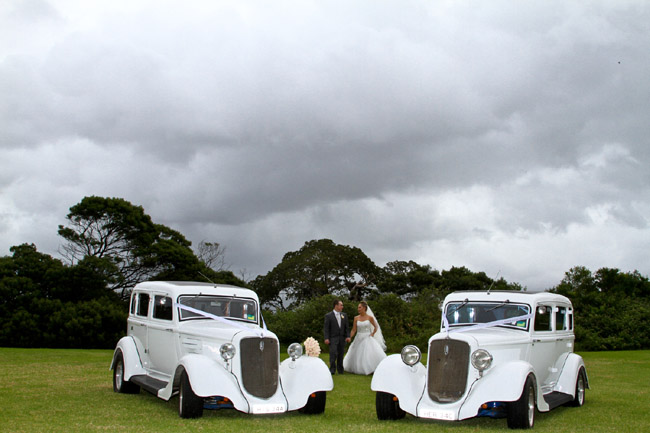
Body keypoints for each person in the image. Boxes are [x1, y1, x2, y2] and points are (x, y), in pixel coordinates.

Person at [342, 301, 386, 375]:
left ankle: (371, 368)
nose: (358, 309)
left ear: (364, 308)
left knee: (368, 353)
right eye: (358, 307)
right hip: (358, 337)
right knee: (356, 353)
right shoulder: (356, 318)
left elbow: (376, 326)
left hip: (367, 337)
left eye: (360, 307)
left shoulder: (370, 317)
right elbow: (354, 330)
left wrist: (372, 333)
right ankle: (358, 368)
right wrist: (349, 337)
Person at [323, 299, 350, 374]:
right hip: (333, 338)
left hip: (342, 338)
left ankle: (340, 370)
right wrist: (326, 338)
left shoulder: (344, 315)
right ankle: (332, 370)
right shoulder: (328, 316)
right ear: (336, 306)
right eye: (341, 305)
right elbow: (326, 328)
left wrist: (348, 336)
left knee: (341, 354)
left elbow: (347, 327)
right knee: (333, 353)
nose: (342, 307)